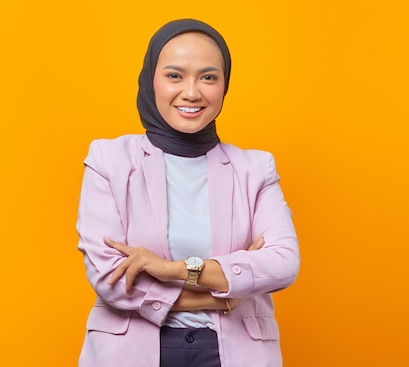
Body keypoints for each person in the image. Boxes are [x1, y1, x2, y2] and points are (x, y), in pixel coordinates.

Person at [76, 19, 300, 367]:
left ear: (224, 85)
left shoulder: (255, 169)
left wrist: (174, 269)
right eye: (175, 75)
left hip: (237, 353)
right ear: (151, 79)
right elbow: (112, 280)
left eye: (208, 77)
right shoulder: (109, 161)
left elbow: (283, 263)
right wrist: (226, 295)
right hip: (130, 353)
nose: (192, 92)